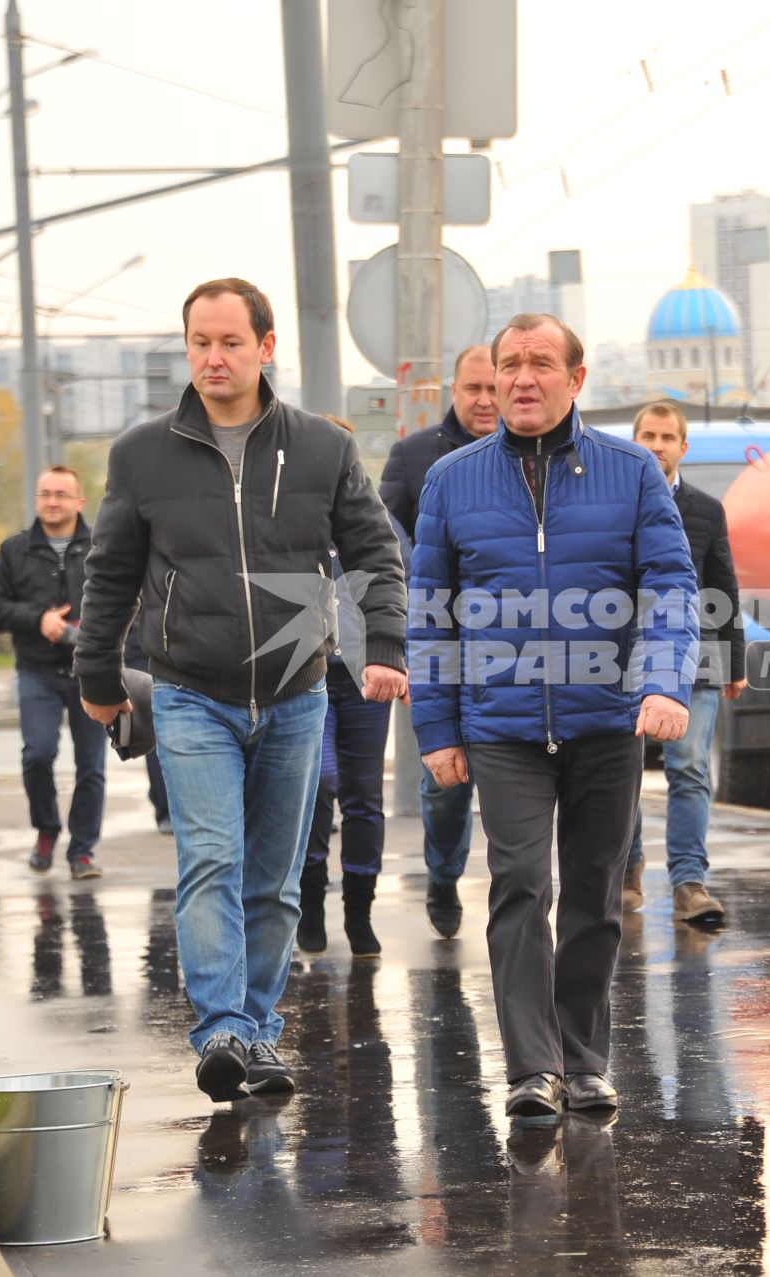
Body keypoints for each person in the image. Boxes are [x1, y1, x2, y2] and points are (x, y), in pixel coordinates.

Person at [75, 277, 408, 1102]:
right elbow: (110, 571)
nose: (213, 357)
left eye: (230, 342)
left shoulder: (323, 451)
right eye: (199, 342)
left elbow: (373, 553)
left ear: (266, 348)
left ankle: (257, 1031)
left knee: (273, 874)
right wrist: (97, 677)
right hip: (190, 690)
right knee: (212, 858)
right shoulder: (142, 453)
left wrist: (385, 646)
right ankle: (219, 1024)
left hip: (297, 692)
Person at [410, 313, 699, 1120]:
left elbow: (672, 587)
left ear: (577, 380)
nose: (523, 378)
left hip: (607, 718)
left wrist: (666, 681)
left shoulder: (632, 471)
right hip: (501, 726)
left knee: (595, 895)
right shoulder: (452, 480)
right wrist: (437, 729)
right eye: (510, 365)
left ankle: (584, 1057)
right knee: (520, 884)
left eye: (542, 363)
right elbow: (430, 612)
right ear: (493, 378)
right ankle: (532, 1068)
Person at [379, 343, 496, 939]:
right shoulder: (414, 457)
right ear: (453, 391)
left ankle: (516, 894)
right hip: (441, 646)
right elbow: (379, 547)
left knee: (515, 781)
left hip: (516, 645)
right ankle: (444, 874)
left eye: (493, 388)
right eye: (472, 388)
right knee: (445, 783)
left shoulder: (540, 453)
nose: (484, 400)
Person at [624, 401, 746, 926]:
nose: (656, 445)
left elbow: (723, 587)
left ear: (682, 447)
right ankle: (627, 872)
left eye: (666, 437)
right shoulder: (611, 502)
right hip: (618, 660)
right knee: (620, 772)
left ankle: (689, 883)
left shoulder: (706, 509)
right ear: (635, 443)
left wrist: (734, 661)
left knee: (690, 769)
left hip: (693, 659)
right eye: (647, 435)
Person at [0, 465, 105, 879]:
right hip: (37, 671)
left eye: (61, 495)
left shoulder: (103, 546)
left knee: (92, 766)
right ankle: (46, 831)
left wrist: (96, 630)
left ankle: (82, 851)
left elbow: (130, 599)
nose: (51, 502)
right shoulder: (15, 550)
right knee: (37, 754)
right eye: (44, 494)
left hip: (91, 672)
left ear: (79, 503)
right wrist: (38, 620)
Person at [297, 414, 391, 959]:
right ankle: (311, 902)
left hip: (364, 676)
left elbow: (396, 589)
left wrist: (392, 654)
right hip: (303, 674)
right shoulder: (285, 517)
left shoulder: (374, 520)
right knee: (320, 785)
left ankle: (360, 913)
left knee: (364, 797)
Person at [122, 624, 170, 834]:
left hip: (178, 641)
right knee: (156, 729)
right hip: (139, 642)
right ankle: (165, 808)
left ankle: (164, 801)